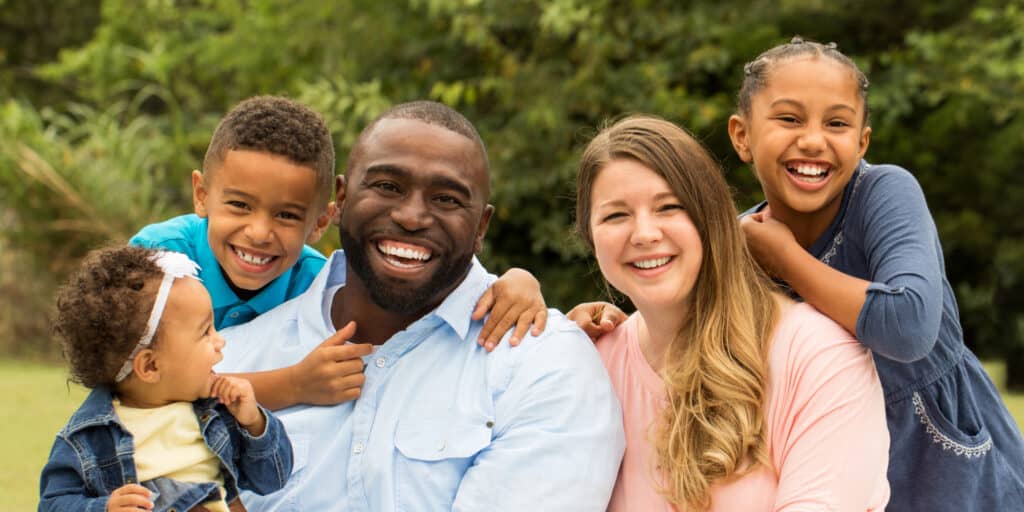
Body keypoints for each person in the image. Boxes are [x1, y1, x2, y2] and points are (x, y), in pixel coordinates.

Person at [575, 38, 1024, 510]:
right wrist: (610, 320)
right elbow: (684, 303)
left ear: (862, 141)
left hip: (949, 462)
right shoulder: (744, 237)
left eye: (836, 123)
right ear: (741, 135)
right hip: (831, 458)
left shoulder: (883, 193)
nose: (812, 139)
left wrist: (787, 260)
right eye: (789, 119)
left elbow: (908, 327)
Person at [216, 100, 625, 511]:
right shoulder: (224, 362)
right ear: (339, 200)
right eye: (388, 186)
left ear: (481, 226)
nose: (411, 216)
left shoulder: (543, 364)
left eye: (447, 199)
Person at [130, 95, 548, 411]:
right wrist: (292, 385)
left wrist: (517, 282)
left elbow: (445, 273)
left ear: (321, 222)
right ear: (201, 195)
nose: (259, 233)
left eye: (287, 215)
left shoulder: (315, 286)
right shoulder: (157, 261)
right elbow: (135, 387)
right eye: (239, 205)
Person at [574, 115, 889, 510]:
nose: (644, 234)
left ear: (712, 217)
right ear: (590, 235)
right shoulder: (590, 367)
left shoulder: (819, 357)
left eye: (669, 207)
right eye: (616, 215)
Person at [39, 246, 293, 512]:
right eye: (205, 332)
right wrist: (105, 507)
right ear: (150, 366)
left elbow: (272, 479)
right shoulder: (88, 438)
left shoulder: (217, 411)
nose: (220, 341)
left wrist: (254, 423)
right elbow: (51, 504)